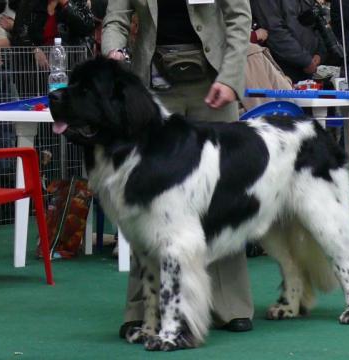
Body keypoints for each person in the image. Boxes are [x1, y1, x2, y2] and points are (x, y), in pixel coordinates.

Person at [101, 0, 254, 341]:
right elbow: (116, 18)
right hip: (153, 86)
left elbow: (239, 17)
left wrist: (231, 77)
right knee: (149, 202)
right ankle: (142, 308)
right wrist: (112, 54)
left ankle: (231, 305)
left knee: (220, 195)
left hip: (214, 81)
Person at [250, 0, 327, 83]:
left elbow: (315, 17)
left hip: (310, 65)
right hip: (284, 69)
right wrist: (305, 60)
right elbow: (275, 32)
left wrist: (319, 52)